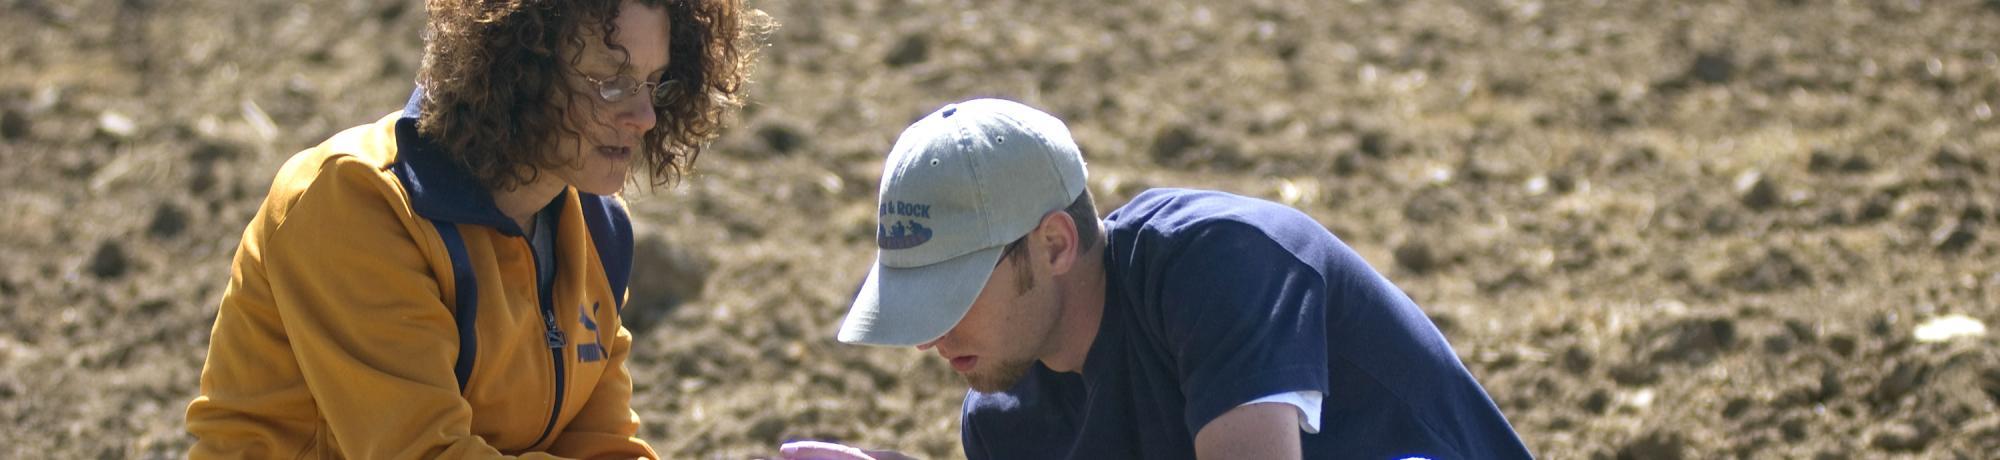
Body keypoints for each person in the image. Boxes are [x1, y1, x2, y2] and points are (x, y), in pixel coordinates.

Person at [789, 99, 1532, 459]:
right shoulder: (1003, 421)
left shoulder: (1220, 263)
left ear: (1053, 244)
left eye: (949, 296)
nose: (928, 337)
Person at [185, 0, 763, 458]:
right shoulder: (358, 203)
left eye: (654, 82)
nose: (644, 116)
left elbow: (604, 446)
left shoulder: (596, 228)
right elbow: (422, 454)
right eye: (610, 82)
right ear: (519, 69)